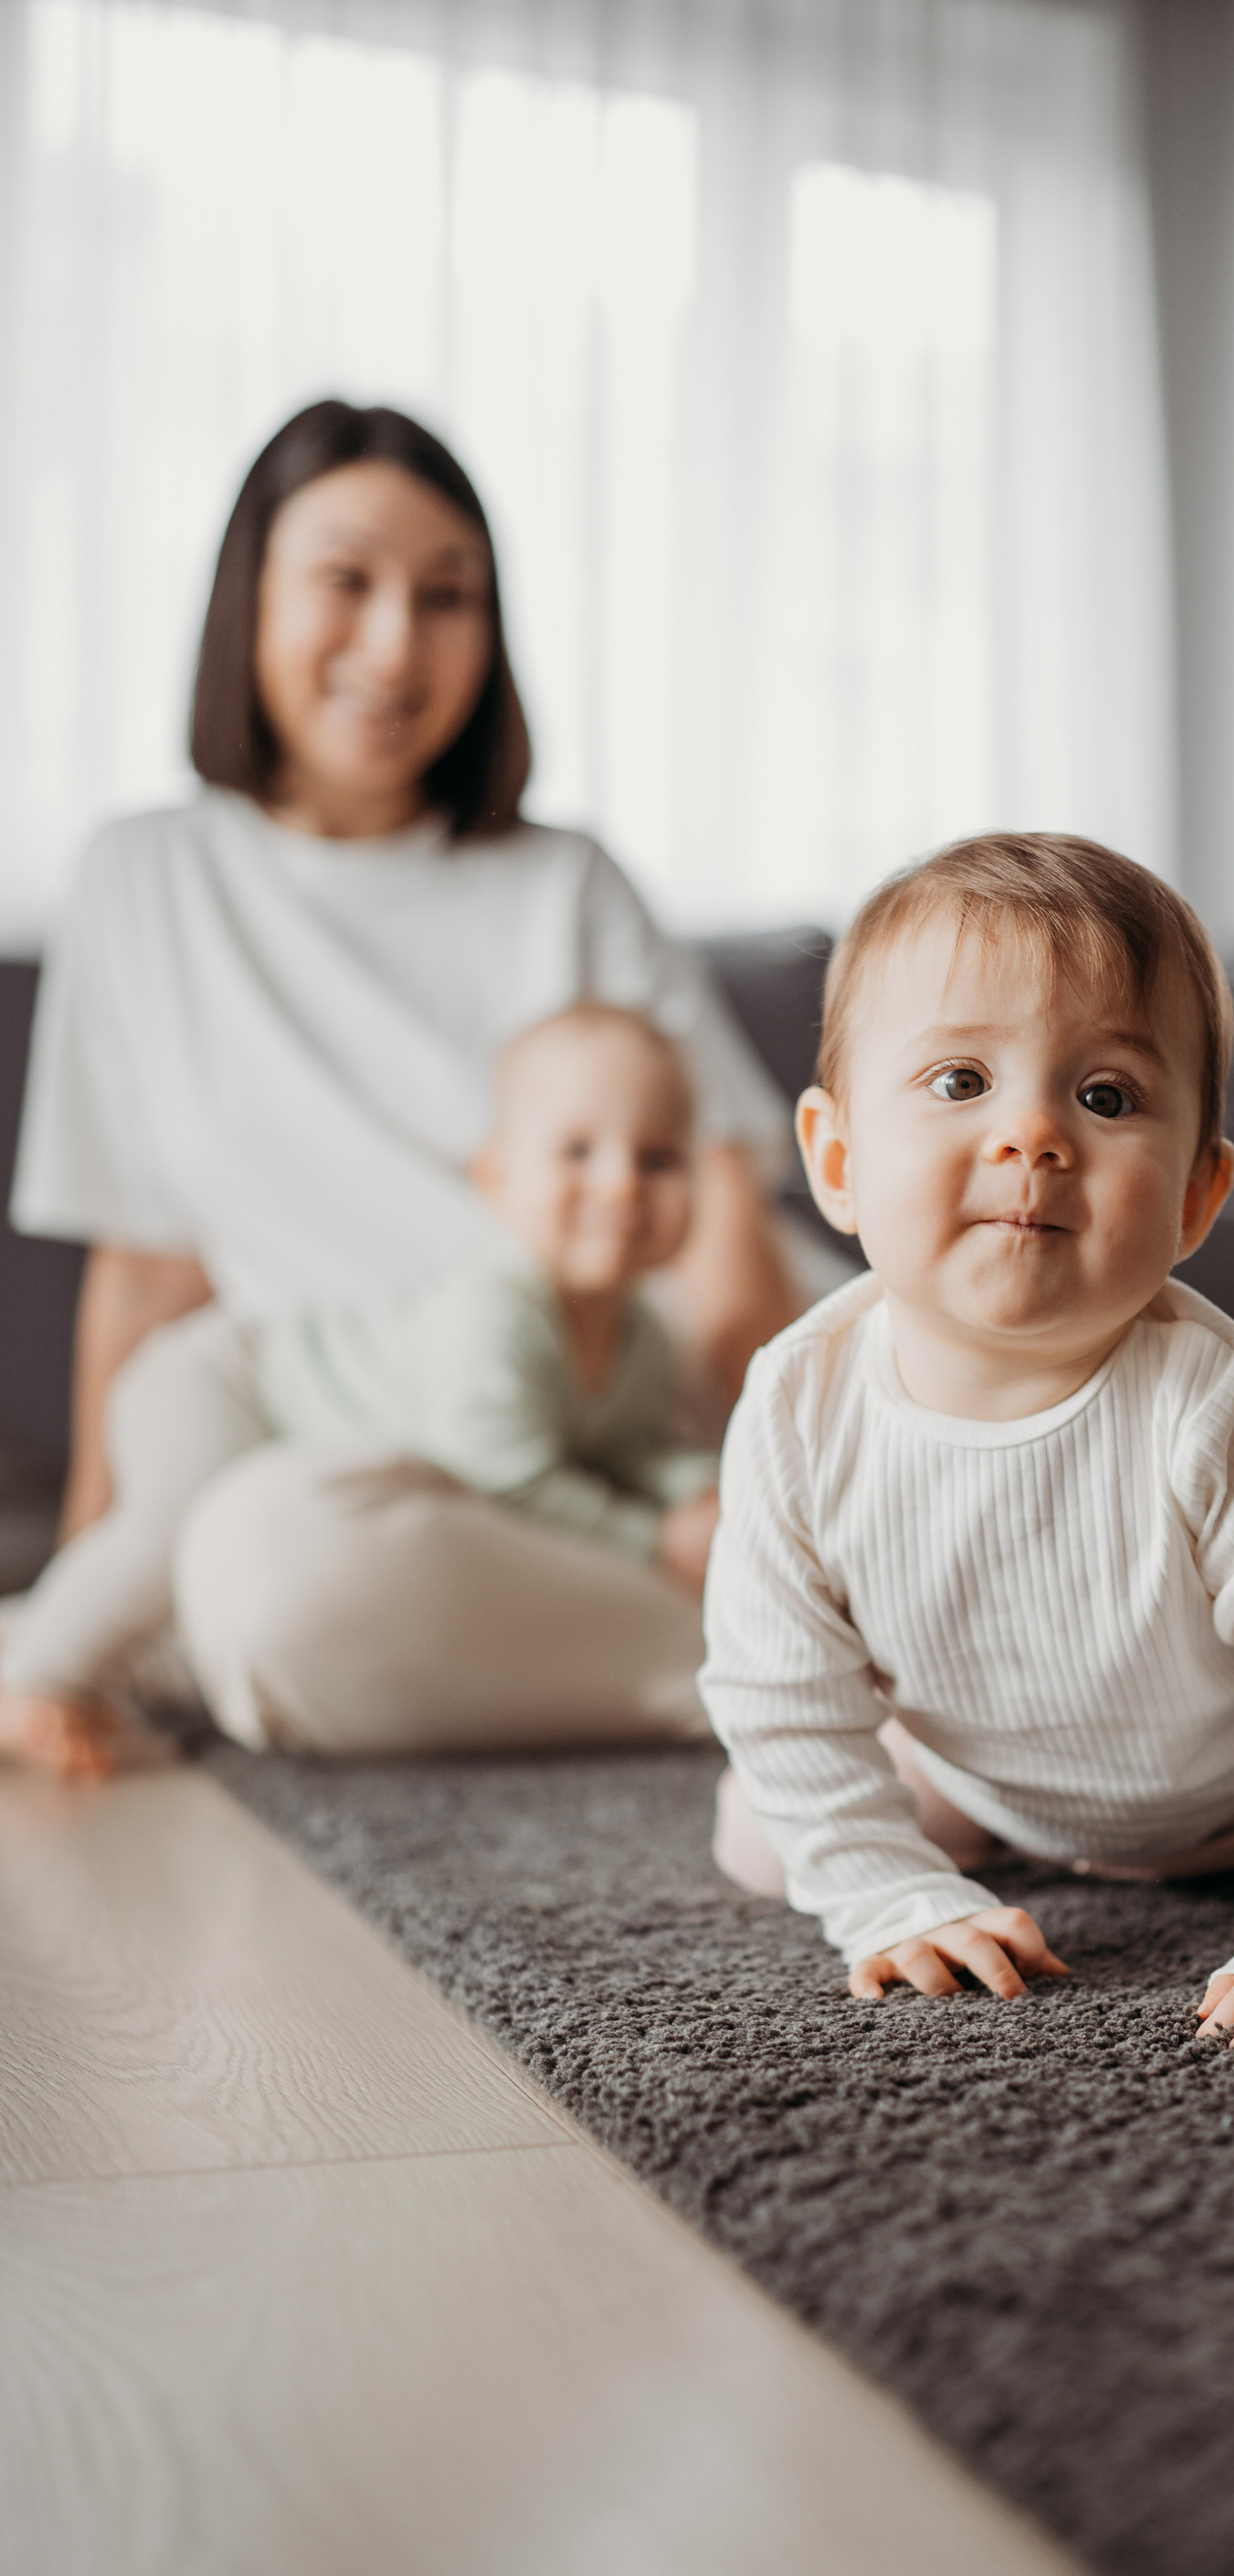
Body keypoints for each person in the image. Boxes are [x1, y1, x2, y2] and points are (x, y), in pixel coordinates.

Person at [9, 399, 799, 1752]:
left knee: (916, 1391)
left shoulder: (565, 880)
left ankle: (819, 1627)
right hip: (392, 1456)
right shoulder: (144, 881)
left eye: (448, 598)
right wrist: (87, 1601)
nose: (395, 643)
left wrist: (759, 1480)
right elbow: (146, 1270)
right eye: (347, 582)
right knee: (260, 1573)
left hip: (635, 1405)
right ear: (249, 596)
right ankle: (788, 1671)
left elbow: (724, 1206)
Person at [700, 832, 1234, 2055]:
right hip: (977, 1779)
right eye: (960, 1084)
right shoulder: (799, 1401)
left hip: (1228, 1798)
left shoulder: (1223, 1408)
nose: (1034, 1137)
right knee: (762, 1821)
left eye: (1105, 1097)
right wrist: (893, 1899)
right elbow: (779, 1694)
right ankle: (968, 1843)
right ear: (837, 1162)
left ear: (1198, 1197)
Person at [1, 1004, 719, 1776]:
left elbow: (629, 1450)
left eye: (657, 1160)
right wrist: (652, 1541)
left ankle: (84, 1656)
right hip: (226, 1379)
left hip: (284, 1445)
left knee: (202, 1581)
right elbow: (504, 1479)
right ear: (497, 1178)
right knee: (165, 1527)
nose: (620, 1186)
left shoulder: (645, 1336)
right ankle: (36, 1678)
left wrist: (699, 1493)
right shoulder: (500, 1312)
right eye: (578, 1152)